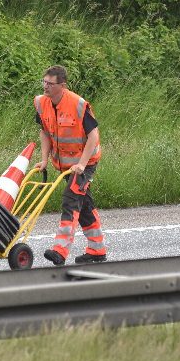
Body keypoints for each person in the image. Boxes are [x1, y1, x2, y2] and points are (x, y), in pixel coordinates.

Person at [33, 65, 107, 265]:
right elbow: (45, 132)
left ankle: (60, 250)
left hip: (86, 162)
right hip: (66, 165)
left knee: (71, 199)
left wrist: (82, 164)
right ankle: (97, 249)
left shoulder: (78, 104)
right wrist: (45, 159)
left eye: (50, 83)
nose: (45, 86)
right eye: (44, 82)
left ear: (62, 86)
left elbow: (94, 136)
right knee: (83, 207)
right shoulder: (41, 103)